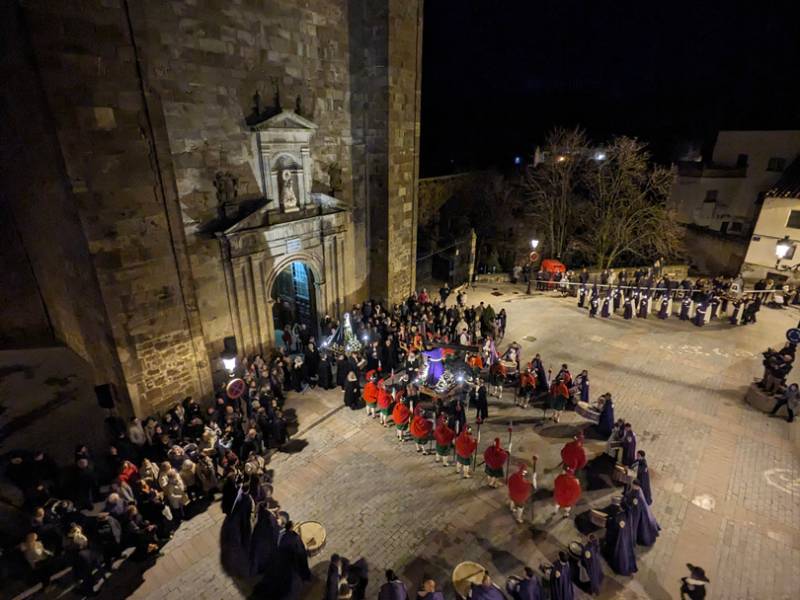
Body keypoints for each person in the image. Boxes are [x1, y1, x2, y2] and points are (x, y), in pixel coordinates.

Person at [507, 458, 537, 524]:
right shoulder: (525, 483)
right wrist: (534, 479)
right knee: (520, 508)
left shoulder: (513, 476)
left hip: (512, 494)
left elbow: (509, 483)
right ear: (524, 472)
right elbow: (534, 488)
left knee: (512, 500)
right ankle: (519, 518)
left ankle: (511, 508)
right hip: (519, 499)